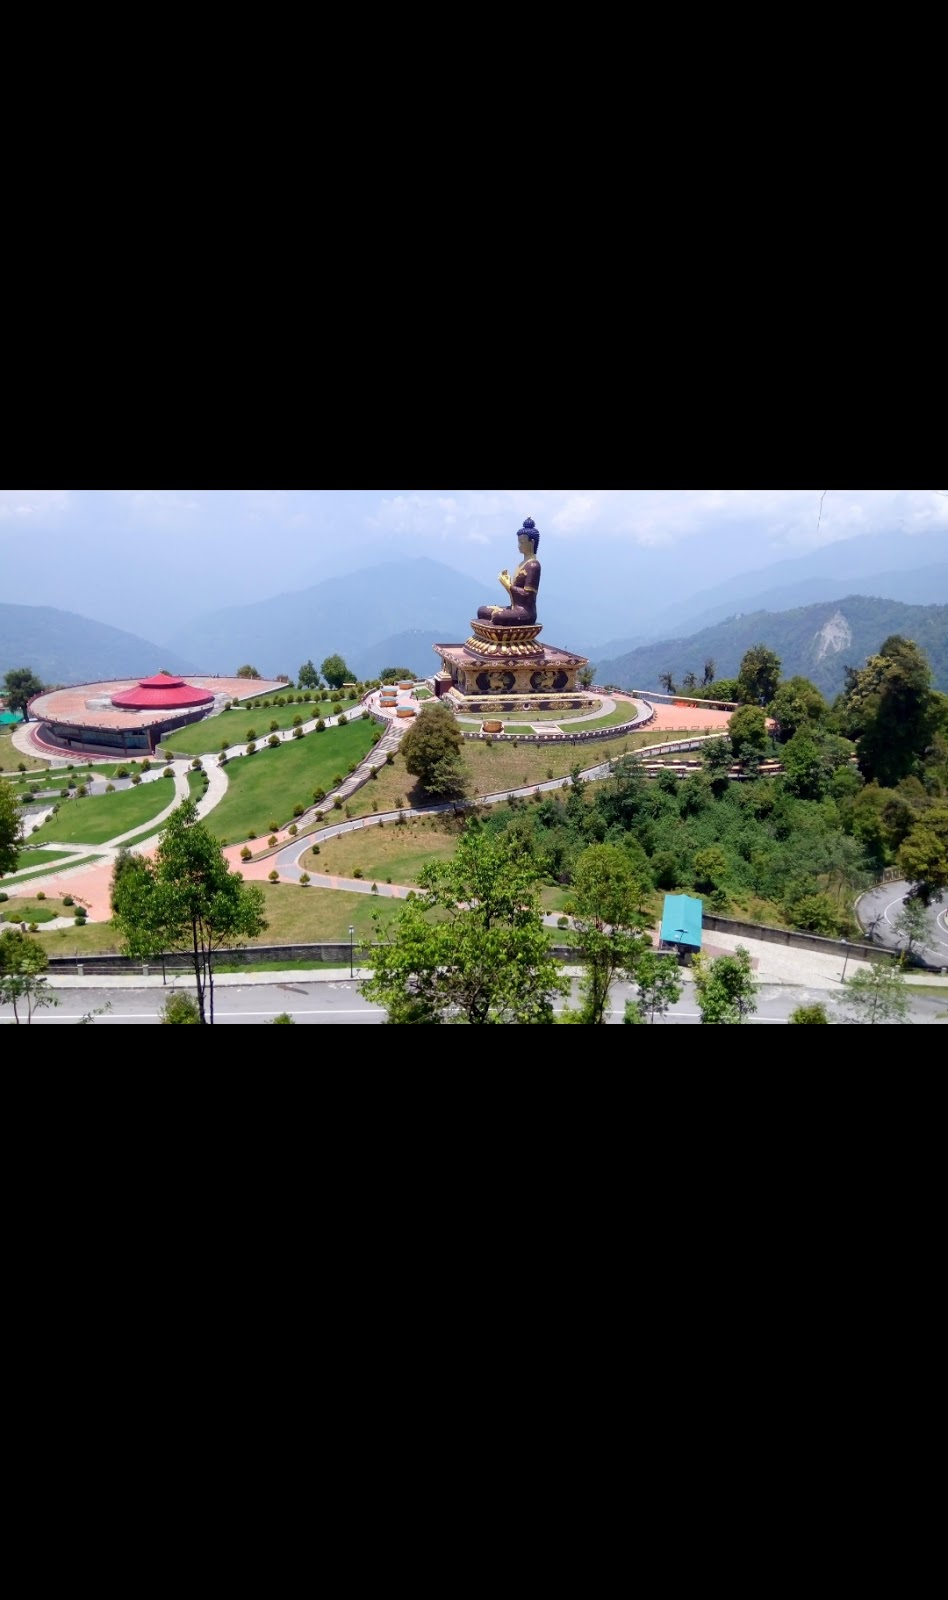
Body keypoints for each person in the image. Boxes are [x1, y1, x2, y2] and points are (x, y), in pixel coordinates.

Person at [477, 517, 542, 626]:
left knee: (497, 616)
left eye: (522, 542)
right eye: (518, 542)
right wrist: (508, 583)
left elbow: (527, 596)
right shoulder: (522, 564)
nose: (519, 546)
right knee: (482, 611)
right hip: (514, 608)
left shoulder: (533, 566)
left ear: (532, 542)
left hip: (526, 613)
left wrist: (508, 585)